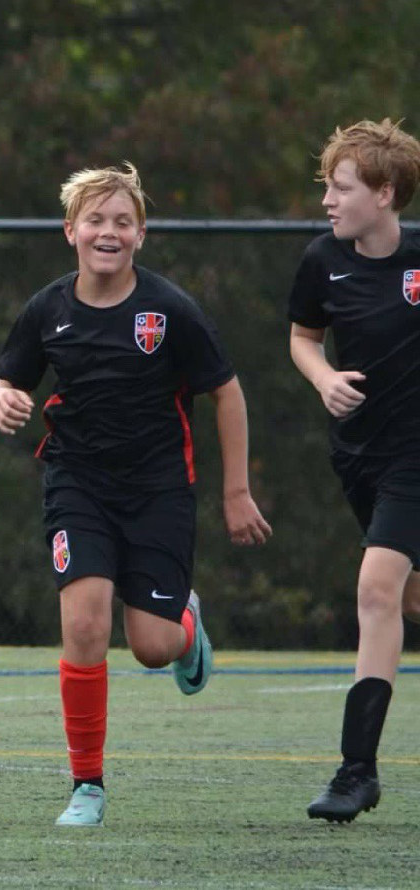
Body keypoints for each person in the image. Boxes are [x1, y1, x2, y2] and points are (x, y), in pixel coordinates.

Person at [0, 162, 271, 828]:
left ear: (141, 234)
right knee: (84, 623)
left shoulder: (171, 310)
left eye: (122, 221)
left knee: (149, 645)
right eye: (95, 220)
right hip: (76, 483)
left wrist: (236, 490)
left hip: (158, 491)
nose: (107, 232)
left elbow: (226, 392)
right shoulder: (48, 309)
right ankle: (87, 786)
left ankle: (187, 626)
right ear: (70, 232)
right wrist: (2, 396)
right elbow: (6, 379)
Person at [286, 119, 420, 822]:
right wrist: (323, 377)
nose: (329, 202)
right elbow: (303, 338)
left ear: (386, 192)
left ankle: (355, 771)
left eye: (341, 189)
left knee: (375, 590)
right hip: (359, 456)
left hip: (414, 457)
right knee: (407, 601)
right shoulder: (321, 260)